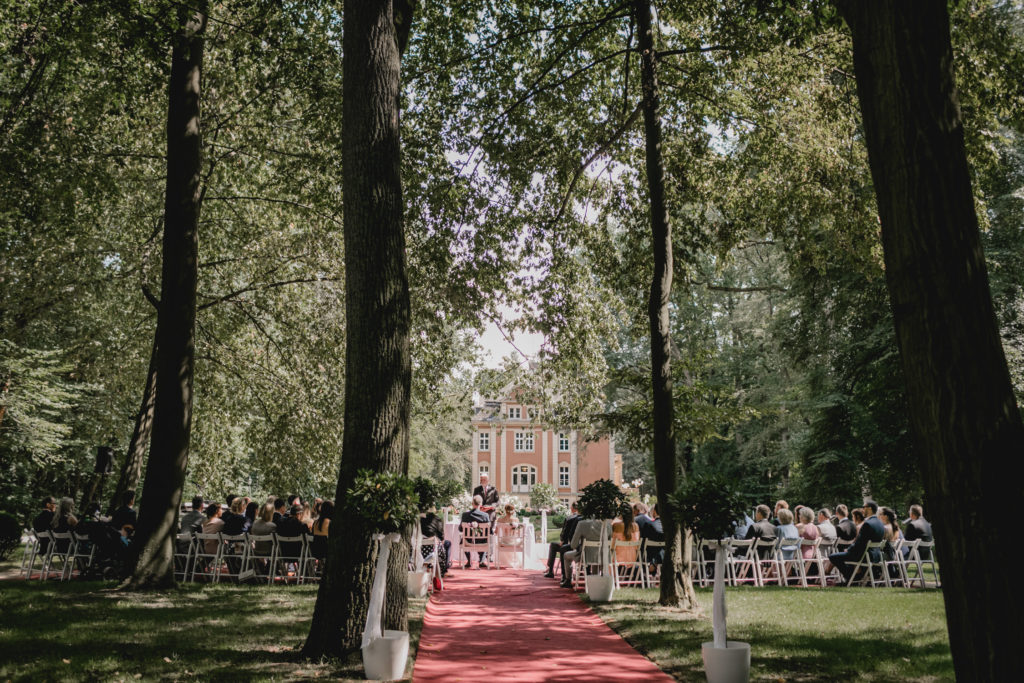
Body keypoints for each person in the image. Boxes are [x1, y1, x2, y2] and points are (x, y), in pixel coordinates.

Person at [828, 500, 886, 584]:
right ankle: (853, 577)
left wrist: (849, 549)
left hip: (863, 555)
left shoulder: (867, 524)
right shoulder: (880, 523)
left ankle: (851, 577)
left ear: (869, 508)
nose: (862, 510)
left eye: (863, 507)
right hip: (875, 555)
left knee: (833, 557)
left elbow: (860, 543)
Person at [561, 513, 606, 588]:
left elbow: (573, 545)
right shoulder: (606, 525)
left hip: (585, 556)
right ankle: (595, 580)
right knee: (595, 558)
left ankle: (568, 580)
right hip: (601, 556)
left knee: (566, 555)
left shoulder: (582, 524)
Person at [544, 501, 580, 579]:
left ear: (572, 508)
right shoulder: (584, 519)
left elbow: (564, 533)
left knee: (553, 545)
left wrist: (562, 541)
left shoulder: (569, 518)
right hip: (580, 545)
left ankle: (551, 570)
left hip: (570, 545)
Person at [460, 495, 492, 568]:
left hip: (468, 542)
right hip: (482, 542)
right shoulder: (485, 515)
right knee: (486, 538)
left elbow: (460, 529)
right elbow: (489, 531)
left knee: (463, 539)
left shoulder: (465, 515)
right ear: (481, 504)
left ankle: (469, 560)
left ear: (472, 503)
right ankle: (481, 561)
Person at [420, 503, 450, 575]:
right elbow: (441, 536)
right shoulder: (437, 519)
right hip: (432, 549)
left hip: (419, 549)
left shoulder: (420, 519)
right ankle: (444, 569)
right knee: (448, 544)